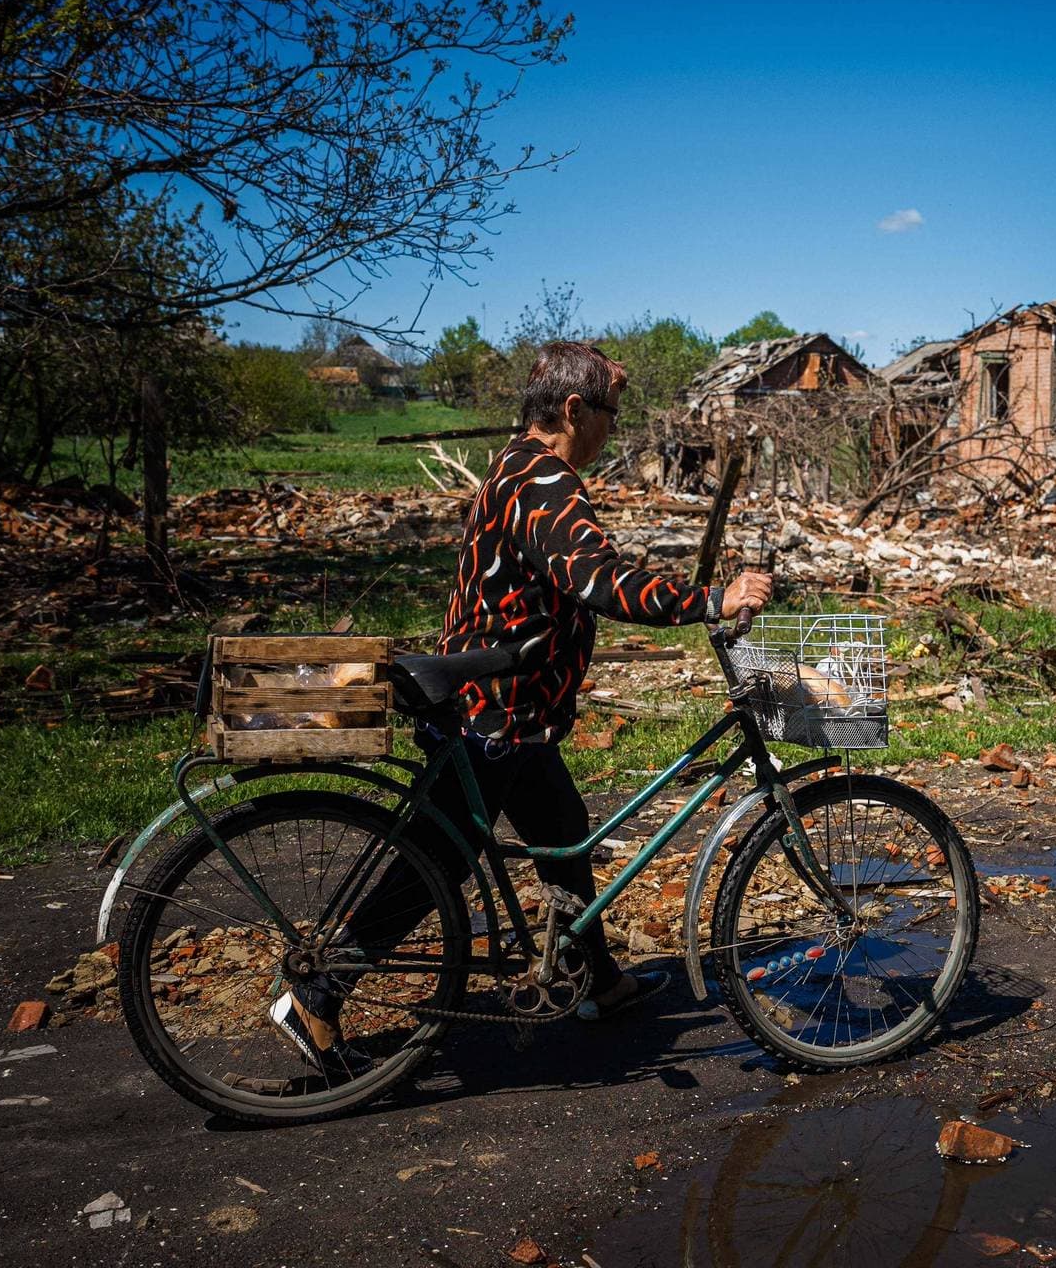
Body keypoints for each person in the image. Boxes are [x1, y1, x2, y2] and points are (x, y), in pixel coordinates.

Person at [271, 341, 772, 1074]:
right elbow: (595, 578)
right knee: (438, 863)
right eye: (610, 410)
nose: (613, 427)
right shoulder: (542, 481)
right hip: (496, 709)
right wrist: (706, 599)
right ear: (574, 411)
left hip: (518, 707)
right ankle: (319, 987)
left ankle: (593, 978)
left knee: (562, 829)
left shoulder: (518, 465)